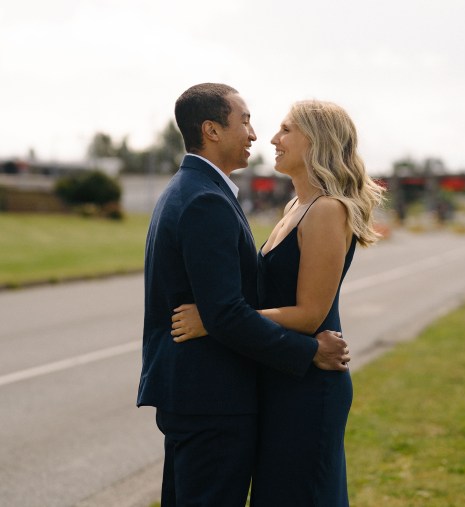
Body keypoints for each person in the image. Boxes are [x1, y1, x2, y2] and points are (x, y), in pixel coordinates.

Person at [137, 84, 350, 507]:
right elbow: (227, 312)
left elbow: (231, 310)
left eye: (283, 128)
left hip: (238, 392)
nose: (259, 134)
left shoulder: (198, 191)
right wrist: (307, 350)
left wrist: (215, 318)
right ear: (213, 131)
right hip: (212, 397)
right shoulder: (205, 199)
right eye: (246, 121)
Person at [171, 99, 385, 505]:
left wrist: (215, 320)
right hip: (279, 376)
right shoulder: (294, 206)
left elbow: (308, 316)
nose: (272, 138)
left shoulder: (326, 211)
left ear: (316, 140)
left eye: (287, 130)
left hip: (309, 387)